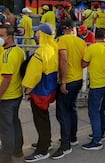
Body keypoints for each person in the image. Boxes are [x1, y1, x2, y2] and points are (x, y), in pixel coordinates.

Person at [22, 23, 58, 162]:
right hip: (50, 90)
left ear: (43, 35)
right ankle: (46, 142)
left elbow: (34, 75)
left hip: (40, 91)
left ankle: (42, 150)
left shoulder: (40, 52)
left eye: (38, 32)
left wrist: (27, 91)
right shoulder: (53, 48)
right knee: (44, 118)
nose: (36, 34)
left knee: (40, 120)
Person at [52, 20, 86, 159]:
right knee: (71, 108)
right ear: (73, 29)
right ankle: (72, 136)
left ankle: (65, 145)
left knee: (62, 112)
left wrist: (63, 81)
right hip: (78, 79)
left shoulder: (62, 40)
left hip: (68, 80)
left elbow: (64, 60)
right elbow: (85, 61)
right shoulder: (81, 42)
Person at [81, 28, 105, 150]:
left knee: (94, 112)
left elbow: (84, 64)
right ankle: (100, 134)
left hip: (97, 85)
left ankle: (96, 141)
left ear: (95, 37)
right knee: (103, 110)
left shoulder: (92, 48)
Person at [0, 24, 25, 163]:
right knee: (15, 122)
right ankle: (17, 149)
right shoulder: (18, 50)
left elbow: (6, 79)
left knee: (5, 127)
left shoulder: (7, 56)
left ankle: (5, 155)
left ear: (9, 37)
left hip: (6, 96)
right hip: (16, 94)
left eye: (1, 36)